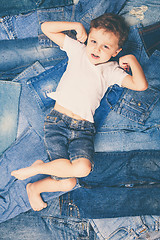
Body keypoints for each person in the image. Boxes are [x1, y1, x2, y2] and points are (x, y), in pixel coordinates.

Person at [11, 13, 148, 212]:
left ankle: (37, 173)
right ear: (88, 38)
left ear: (116, 52)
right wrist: (76, 26)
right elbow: (46, 27)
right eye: (94, 41)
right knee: (67, 181)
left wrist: (132, 60)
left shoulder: (111, 71)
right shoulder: (78, 51)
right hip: (58, 122)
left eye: (106, 47)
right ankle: (34, 186)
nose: (97, 48)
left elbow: (140, 85)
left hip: (83, 129)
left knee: (80, 172)